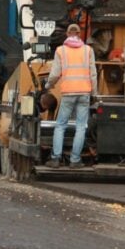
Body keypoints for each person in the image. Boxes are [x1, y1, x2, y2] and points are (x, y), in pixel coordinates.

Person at [44, 23, 97, 168]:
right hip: (84, 93)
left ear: (67, 34)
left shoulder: (61, 51)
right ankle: (75, 160)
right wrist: (95, 93)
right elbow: (93, 73)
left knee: (60, 125)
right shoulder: (88, 50)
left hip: (68, 93)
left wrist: (48, 85)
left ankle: (55, 159)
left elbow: (55, 74)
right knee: (81, 127)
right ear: (79, 34)